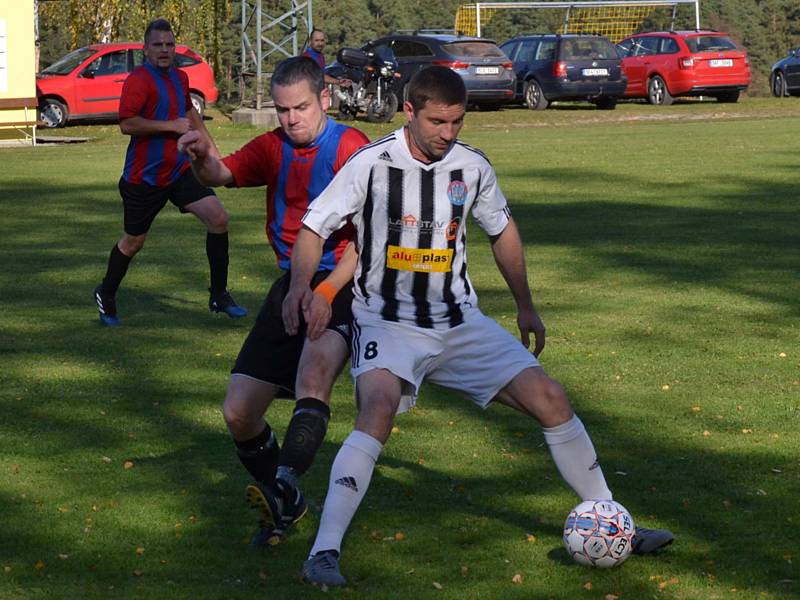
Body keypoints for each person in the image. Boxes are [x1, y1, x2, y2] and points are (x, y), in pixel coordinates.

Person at [284, 66, 674, 587]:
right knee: (376, 410)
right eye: (438, 122)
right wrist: (300, 287)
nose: (449, 133)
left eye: (457, 122)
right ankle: (324, 551)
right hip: (389, 321)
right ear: (410, 111)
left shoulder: (471, 166)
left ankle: (609, 518)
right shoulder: (370, 165)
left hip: (460, 321)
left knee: (551, 399)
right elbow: (314, 227)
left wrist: (525, 305)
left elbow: (502, 231)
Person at [177, 55, 369, 547]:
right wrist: (201, 155)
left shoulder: (352, 147)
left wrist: (324, 291)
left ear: (324, 99)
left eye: (301, 107)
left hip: (345, 281)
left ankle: (282, 489)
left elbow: (372, 239)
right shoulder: (273, 146)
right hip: (293, 281)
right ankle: (289, 502)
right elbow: (221, 174)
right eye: (282, 110)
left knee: (312, 376)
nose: (291, 119)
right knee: (238, 411)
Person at [93, 18, 246, 327]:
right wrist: (170, 126)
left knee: (219, 219)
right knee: (133, 243)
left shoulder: (179, 77)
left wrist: (215, 157)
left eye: (169, 44)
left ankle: (218, 294)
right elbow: (127, 124)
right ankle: (106, 292)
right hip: (143, 178)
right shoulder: (138, 80)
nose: (164, 50)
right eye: (157, 45)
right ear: (146, 49)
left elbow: (191, 116)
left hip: (178, 171)